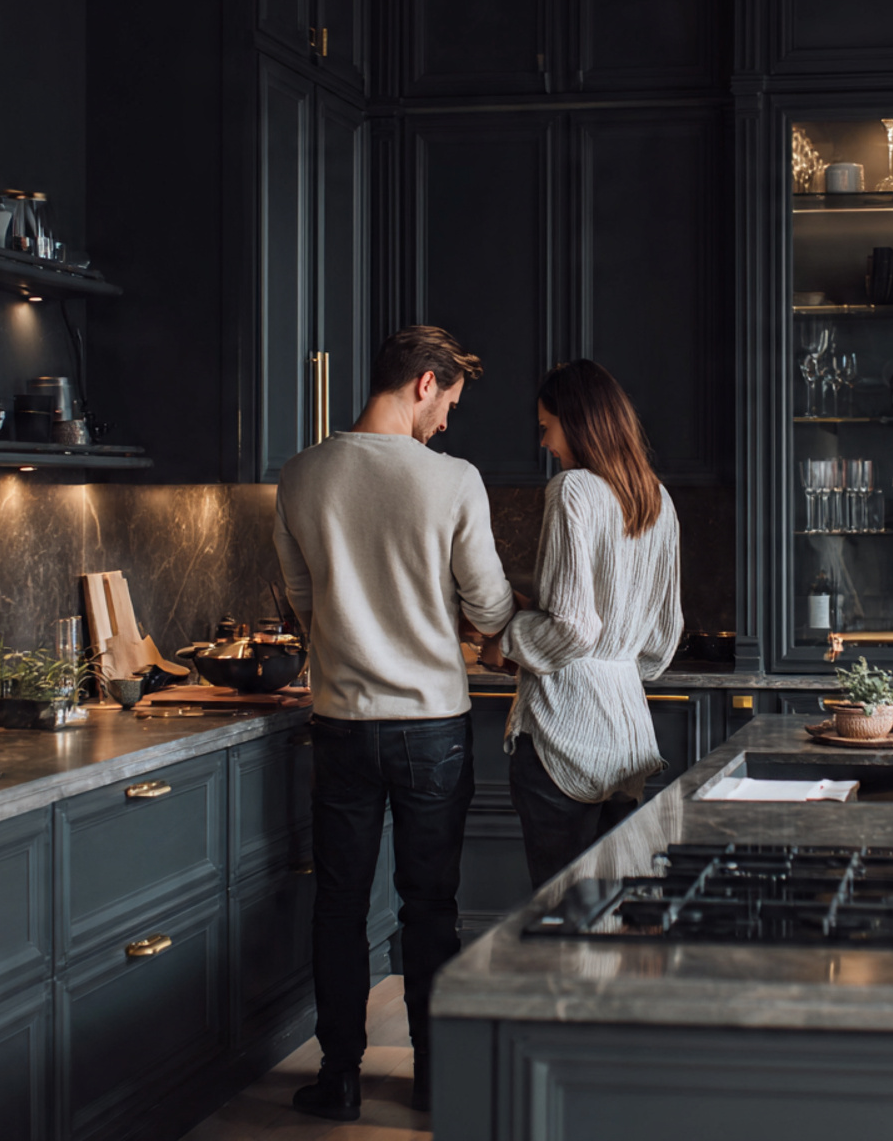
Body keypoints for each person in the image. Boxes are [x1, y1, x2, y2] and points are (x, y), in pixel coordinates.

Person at [273, 325, 515, 1121]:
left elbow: (303, 603)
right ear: (423, 383)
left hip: (341, 723)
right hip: (430, 730)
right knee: (429, 907)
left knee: (340, 906)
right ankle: (435, 1079)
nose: (447, 422)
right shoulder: (453, 482)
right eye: (448, 402)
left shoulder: (303, 474)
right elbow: (486, 607)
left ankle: (338, 1076)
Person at [481, 359, 683, 889]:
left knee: (560, 913)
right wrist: (609, 663)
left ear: (577, 421)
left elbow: (572, 628)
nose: (544, 441)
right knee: (618, 906)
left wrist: (507, 639)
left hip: (562, 731)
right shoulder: (658, 499)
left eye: (546, 426)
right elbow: (662, 643)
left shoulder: (572, 489)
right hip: (627, 734)